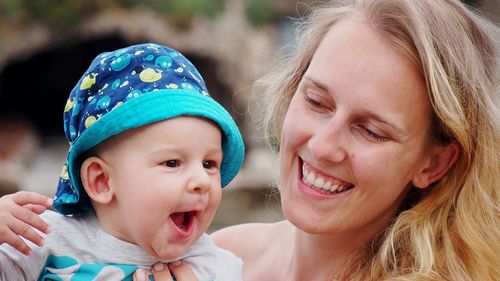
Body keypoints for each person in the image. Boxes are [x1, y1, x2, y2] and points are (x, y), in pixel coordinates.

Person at [209, 0, 499, 280]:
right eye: (316, 102)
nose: (322, 147)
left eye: (371, 131)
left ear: (434, 163)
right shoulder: (221, 257)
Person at [0, 43, 245, 281]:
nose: (202, 180)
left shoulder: (217, 268)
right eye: (172, 163)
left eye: (209, 164)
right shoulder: (42, 241)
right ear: (102, 181)